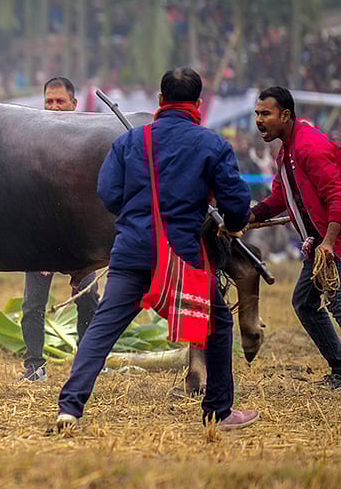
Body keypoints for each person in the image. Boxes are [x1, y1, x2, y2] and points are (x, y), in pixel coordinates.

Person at [56, 68, 259, 433]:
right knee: (218, 324)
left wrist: (137, 216)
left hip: (131, 249)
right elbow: (236, 203)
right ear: (197, 104)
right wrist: (228, 220)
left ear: (161, 100)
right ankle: (218, 411)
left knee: (102, 329)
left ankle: (69, 408)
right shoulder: (212, 144)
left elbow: (108, 194)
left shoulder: (131, 141)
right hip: (184, 257)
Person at [247, 86, 341, 390]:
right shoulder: (286, 154)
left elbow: (338, 194)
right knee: (305, 302)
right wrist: (250, 217)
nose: (259, 119)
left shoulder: (310, 147)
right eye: (257, 113)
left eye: (265, 113)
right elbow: (280, 199)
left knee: (335, 296)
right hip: (323, 238)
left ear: (285, 115)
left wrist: (330, 242)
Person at [21, 77, 100, 382]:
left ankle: (89, 361)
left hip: (81, 237)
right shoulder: (31, 142)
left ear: (74, 104)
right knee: (32, 305)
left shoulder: (90, 140)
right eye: (49, 102)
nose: (53, 107)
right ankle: (33, 366)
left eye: (60, 102)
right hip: (41, 236)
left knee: (89, 298)